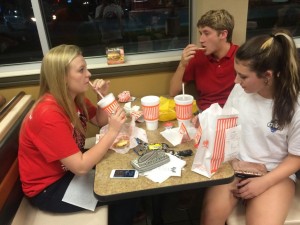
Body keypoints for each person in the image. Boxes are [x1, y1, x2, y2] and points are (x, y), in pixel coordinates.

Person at [18, 44, 137, 225]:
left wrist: (101, 98)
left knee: (126, 170)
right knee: (124, 192)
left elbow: (99, 121)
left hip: (68, 170)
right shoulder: (48, 114)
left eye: (86, 68)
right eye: (81, 70)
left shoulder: (73, 98)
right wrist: (112, 132)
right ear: (62, 78)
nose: (88, 74)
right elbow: (80, 167)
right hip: (49, 188)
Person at [200, 30, 300, 225]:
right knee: (210, 218)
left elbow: (296, 157)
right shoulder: (240, 90)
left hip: (274, 174)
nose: (236, 81)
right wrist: (232, 158)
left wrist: (263, 182)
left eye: (243, 76)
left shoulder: (295, 107)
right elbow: (226, 125)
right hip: (235, 165)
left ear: (268, 76)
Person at [169, 9, 238, 111]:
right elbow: (172, 92)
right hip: (204, 113)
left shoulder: (241, 55)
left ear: (223, 34)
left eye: (206, 33)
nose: (201, 39)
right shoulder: (197, 56)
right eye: (200, 33)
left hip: (232, 113)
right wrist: (182, 64)